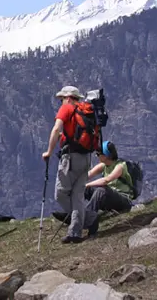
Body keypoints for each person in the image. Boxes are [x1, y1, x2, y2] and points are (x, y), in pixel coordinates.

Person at [42, 86, 94, 244]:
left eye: (62, 99)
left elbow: (56, 128)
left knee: (61, 194)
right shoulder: (86, 111)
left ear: (69, 97)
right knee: (77, 195)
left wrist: (49, 152)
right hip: (86, 157)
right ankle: (75, 232)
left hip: (70, 159)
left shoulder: (67, 108)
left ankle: (89, 218)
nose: (61, 102)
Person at [82, 141, 133, 237]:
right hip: (110, 198)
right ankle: (75, 214)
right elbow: (88, 175)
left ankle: (90, 224)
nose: (97, 156)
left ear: (106, 155)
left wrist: (87, 185)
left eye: (98, 154)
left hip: (124, 200)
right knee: (85, 190)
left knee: (101, 189)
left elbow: (106, 180)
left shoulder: (120, 166)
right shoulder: (104, 166)